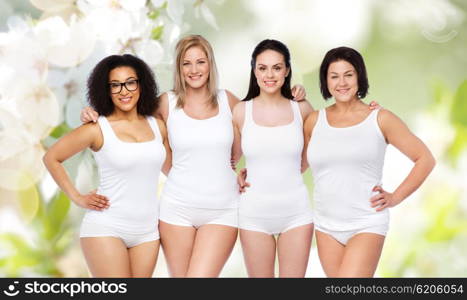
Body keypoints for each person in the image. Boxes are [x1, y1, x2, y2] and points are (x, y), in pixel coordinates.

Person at [80, 35, 307, 277]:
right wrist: (95, 112)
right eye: (186, 63)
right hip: (176, 209)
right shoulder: (166, 102)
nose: (194, 70)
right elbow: (128, 117)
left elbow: (261, 122)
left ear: (210, 64)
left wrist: (241, 170)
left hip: (223, 209)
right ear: (178, 68)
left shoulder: (228, 100)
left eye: (200, 62)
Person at [303, 46, 436, 277]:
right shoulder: (314, 120)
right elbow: (296, 165)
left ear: (359, 77)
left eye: (349, 74)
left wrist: (395, 197)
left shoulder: (380, 118)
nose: (341, 83)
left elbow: (425, 159)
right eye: (334, 76)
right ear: (325, 81)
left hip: (366, 222)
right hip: (325, 225)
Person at [43, 54, 171, 277]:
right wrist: (77, 197)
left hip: (148, 232)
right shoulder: (96, 128)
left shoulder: (158, 126)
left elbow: (175, 169)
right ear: (106, 90)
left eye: (130, 82)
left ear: (141, 84)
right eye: (115, 85)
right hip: (107, 227)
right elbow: (51, 157)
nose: (124, 91)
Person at [232, 39, 315, 277]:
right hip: (254, 215)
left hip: (296, 213)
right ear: (254, 71)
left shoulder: (302, 108)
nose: (270, 74)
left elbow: (310, 155)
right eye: (263, 68)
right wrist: (236, 174)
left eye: (277, 68)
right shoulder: (241, 111)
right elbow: (231, 159)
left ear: (287, 70)